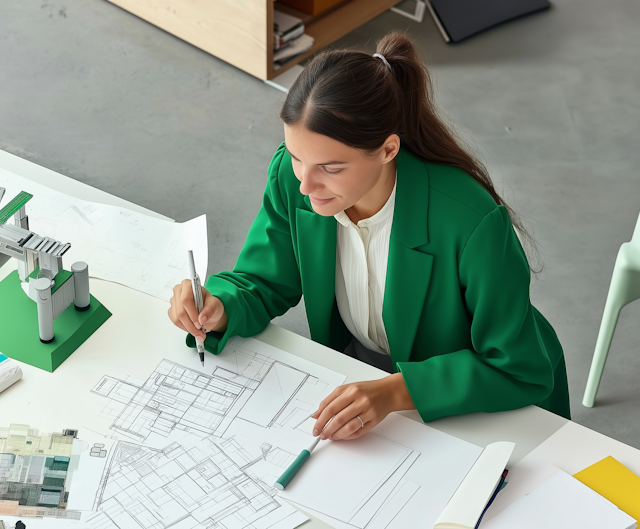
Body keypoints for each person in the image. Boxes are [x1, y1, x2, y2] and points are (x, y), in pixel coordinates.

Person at [168, 31, 570, 444]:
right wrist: (221, 305)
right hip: (369, 379)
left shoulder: (471, 221)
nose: (306, 185)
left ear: (388, 149)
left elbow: (516, 366)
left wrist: (397, 390)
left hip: (476, 403)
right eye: (296, 157)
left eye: (331, 168)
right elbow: (263, 280)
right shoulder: (294, 181)